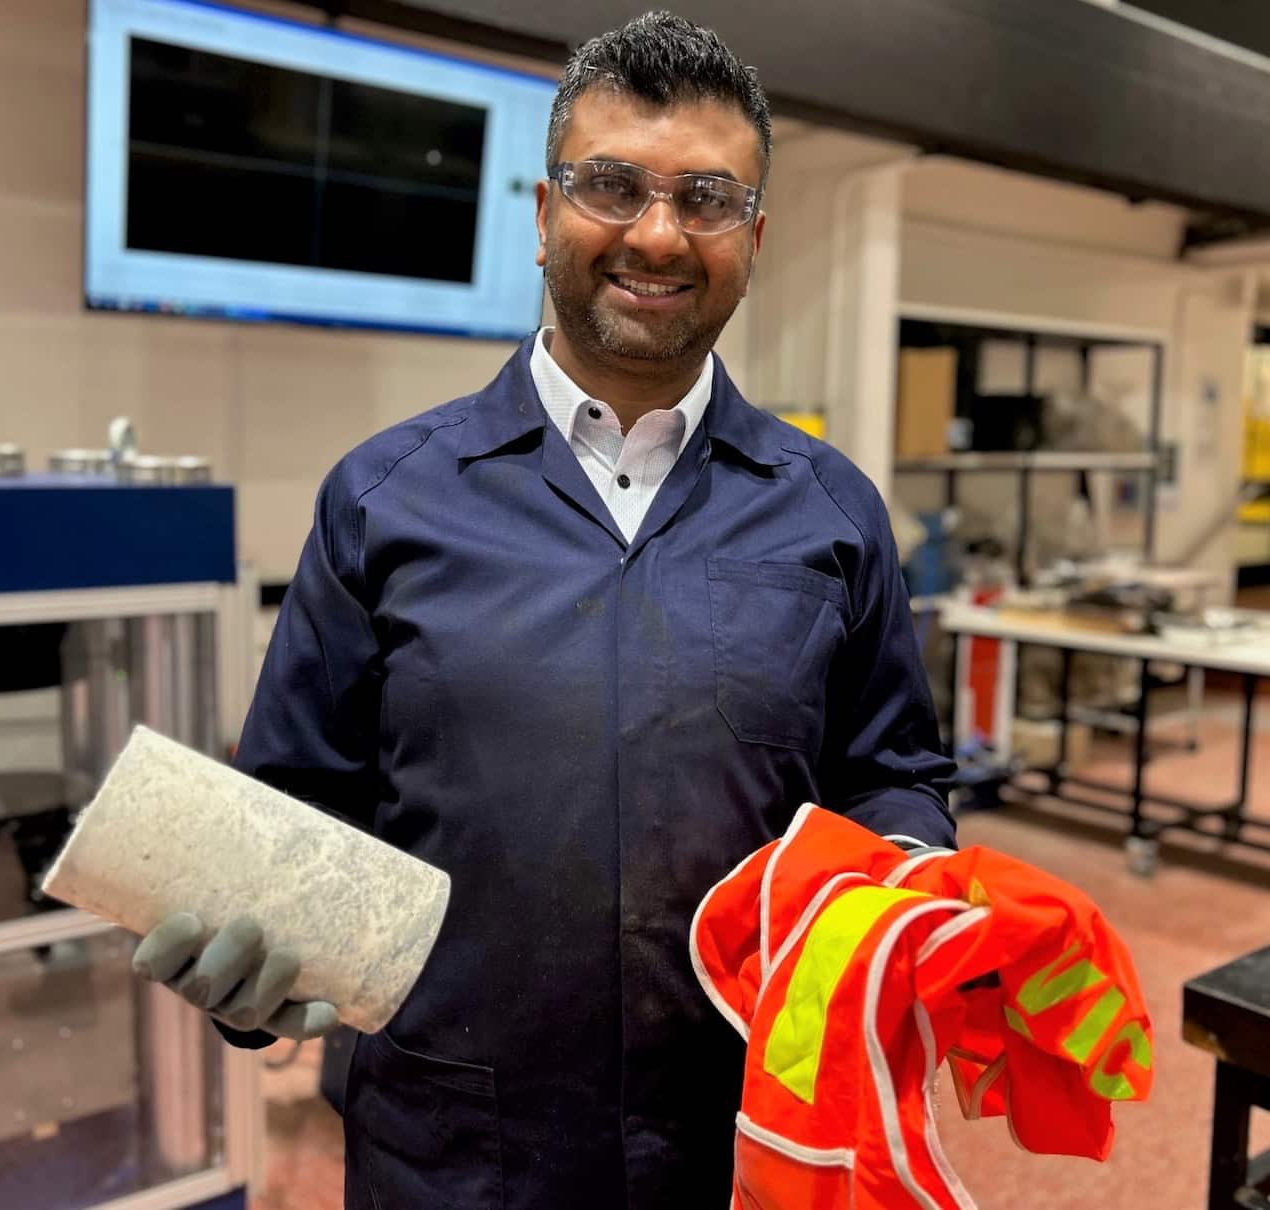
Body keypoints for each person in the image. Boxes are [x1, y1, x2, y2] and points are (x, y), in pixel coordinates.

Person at [132, 12, 956, 1208]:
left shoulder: (829, 510)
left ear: (754, 235)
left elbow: (892, 768)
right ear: (541, 211)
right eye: (612, 186)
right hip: (453, 1148)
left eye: (707, 198)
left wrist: (909, 887)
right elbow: (295, 811)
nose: (658, 234)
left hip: (738, 1141)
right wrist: (246, 965)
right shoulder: (383, 496)